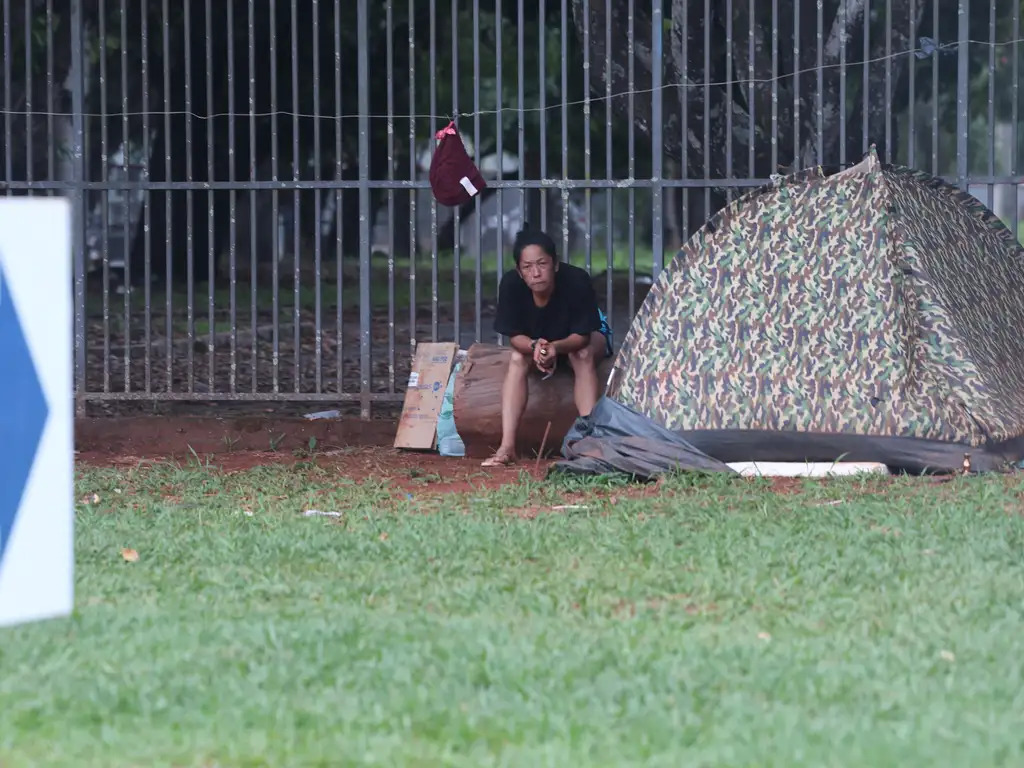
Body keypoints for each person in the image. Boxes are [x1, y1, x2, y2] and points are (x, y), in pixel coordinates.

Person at [482, 228, 613, 467]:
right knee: (516, 358)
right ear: (520, 272)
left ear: (555, 265)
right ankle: (507, 447)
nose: (536, 272)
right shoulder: (511, 285)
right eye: (528, 267)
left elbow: (582, 336)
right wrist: (535, 346)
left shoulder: (576, 280)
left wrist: (556, 347)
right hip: (539, 342)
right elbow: (515, 336)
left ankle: (591, 442)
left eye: (542, 263)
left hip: (578, 339)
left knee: (581, 355)